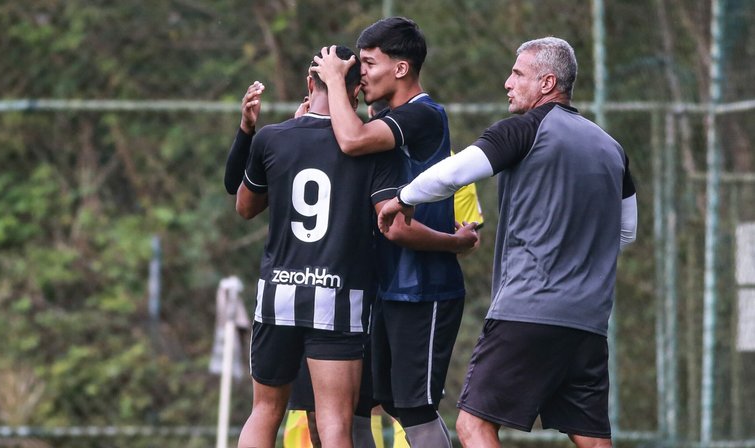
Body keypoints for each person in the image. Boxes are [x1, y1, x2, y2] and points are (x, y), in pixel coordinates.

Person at [377, 37, 638, 448]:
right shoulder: (612, 147)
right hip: (588, 319)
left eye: (517, 73)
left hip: (528, 310)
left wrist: (403, 197)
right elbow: (626, 232)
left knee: (473, 425)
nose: (507, 83)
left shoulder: (525, 129)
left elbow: (452, 174)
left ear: (547, 82)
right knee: (590, 437)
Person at [311, 17, 477, 448]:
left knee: (414, 409)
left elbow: (352, 140)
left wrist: (332, 80)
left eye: (368, 63)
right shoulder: (385, 118)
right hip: (379, 288)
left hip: (423, 289)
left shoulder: (423, 115)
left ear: (400, 68)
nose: (360, 73)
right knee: (356, 405)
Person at [233, 45, 402, 448]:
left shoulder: (273, 139)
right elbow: (388, 218)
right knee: (334, 423)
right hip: (338, 298)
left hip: (279, 294)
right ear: (357, 91)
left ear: (310, 83)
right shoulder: (372, 145)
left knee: (265, 412)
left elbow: (244, 206)